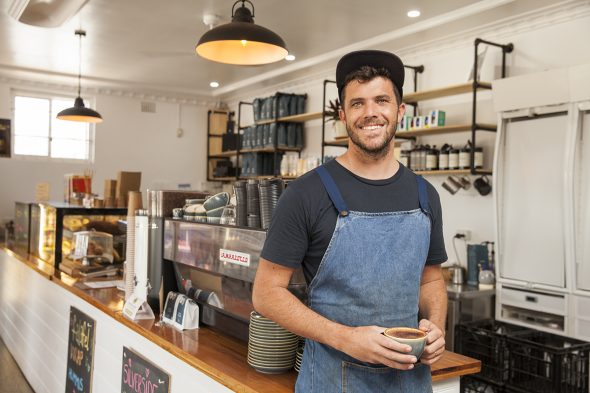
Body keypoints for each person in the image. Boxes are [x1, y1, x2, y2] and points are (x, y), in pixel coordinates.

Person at [252, 49, 448, 392]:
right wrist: (345, 338)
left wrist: (435, 327)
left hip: (410, 381)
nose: (370, 113)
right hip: (330, 380)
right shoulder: (305, 193)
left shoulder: (425, 195)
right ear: (343, 115)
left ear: (399, 111)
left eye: (382, 100)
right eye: (357, 103)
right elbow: (266, 293)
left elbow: (430, 281)